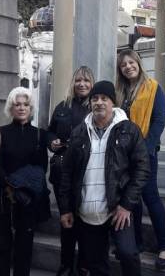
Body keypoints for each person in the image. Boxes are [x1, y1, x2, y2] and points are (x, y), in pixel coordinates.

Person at [58, 81, 150, 276]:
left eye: (104, 98)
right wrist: (66, 208)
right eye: (95, 99)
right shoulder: (79, 133)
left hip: (117, 208)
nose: (99, 102)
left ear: (112, 103)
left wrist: (126, 205)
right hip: (88, 211)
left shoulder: (129, 130)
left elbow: (142, 169)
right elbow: (67, 172)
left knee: (128, 254)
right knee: (97, 264)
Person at [116, 49, 165, 269]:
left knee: (150, 198)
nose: (128, 66)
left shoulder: (153, 87)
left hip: (145, 153)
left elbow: (158, 122)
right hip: (123, 154)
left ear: (138, 63)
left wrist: (145, 150)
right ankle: (136, 243)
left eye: (131, 62)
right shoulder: (120, 91)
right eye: (123, 65)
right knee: (132, 200)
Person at [0, 87, 50, 276]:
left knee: (25, 245)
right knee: (2, 245)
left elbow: (42, 167)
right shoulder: (0, 132)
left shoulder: (40, 134)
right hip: (3, 195)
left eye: (26, 104)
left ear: (31, 107)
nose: (21, 108)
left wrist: (23, 190)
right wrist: (10, 185)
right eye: (17, 104)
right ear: (11, 107)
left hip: (28, 198)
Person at [47, 66, 95, 276]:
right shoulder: (62, 106)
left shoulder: (96, 107)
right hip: (62, 173)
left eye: (86, 81)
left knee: (84, 221)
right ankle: (66, 264)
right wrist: (52, 142)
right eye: (78, 80)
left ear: (91, 84)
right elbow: (49, 131)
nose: (81, 84)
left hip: (88, 173)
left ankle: (84, 265)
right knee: (66, 220)